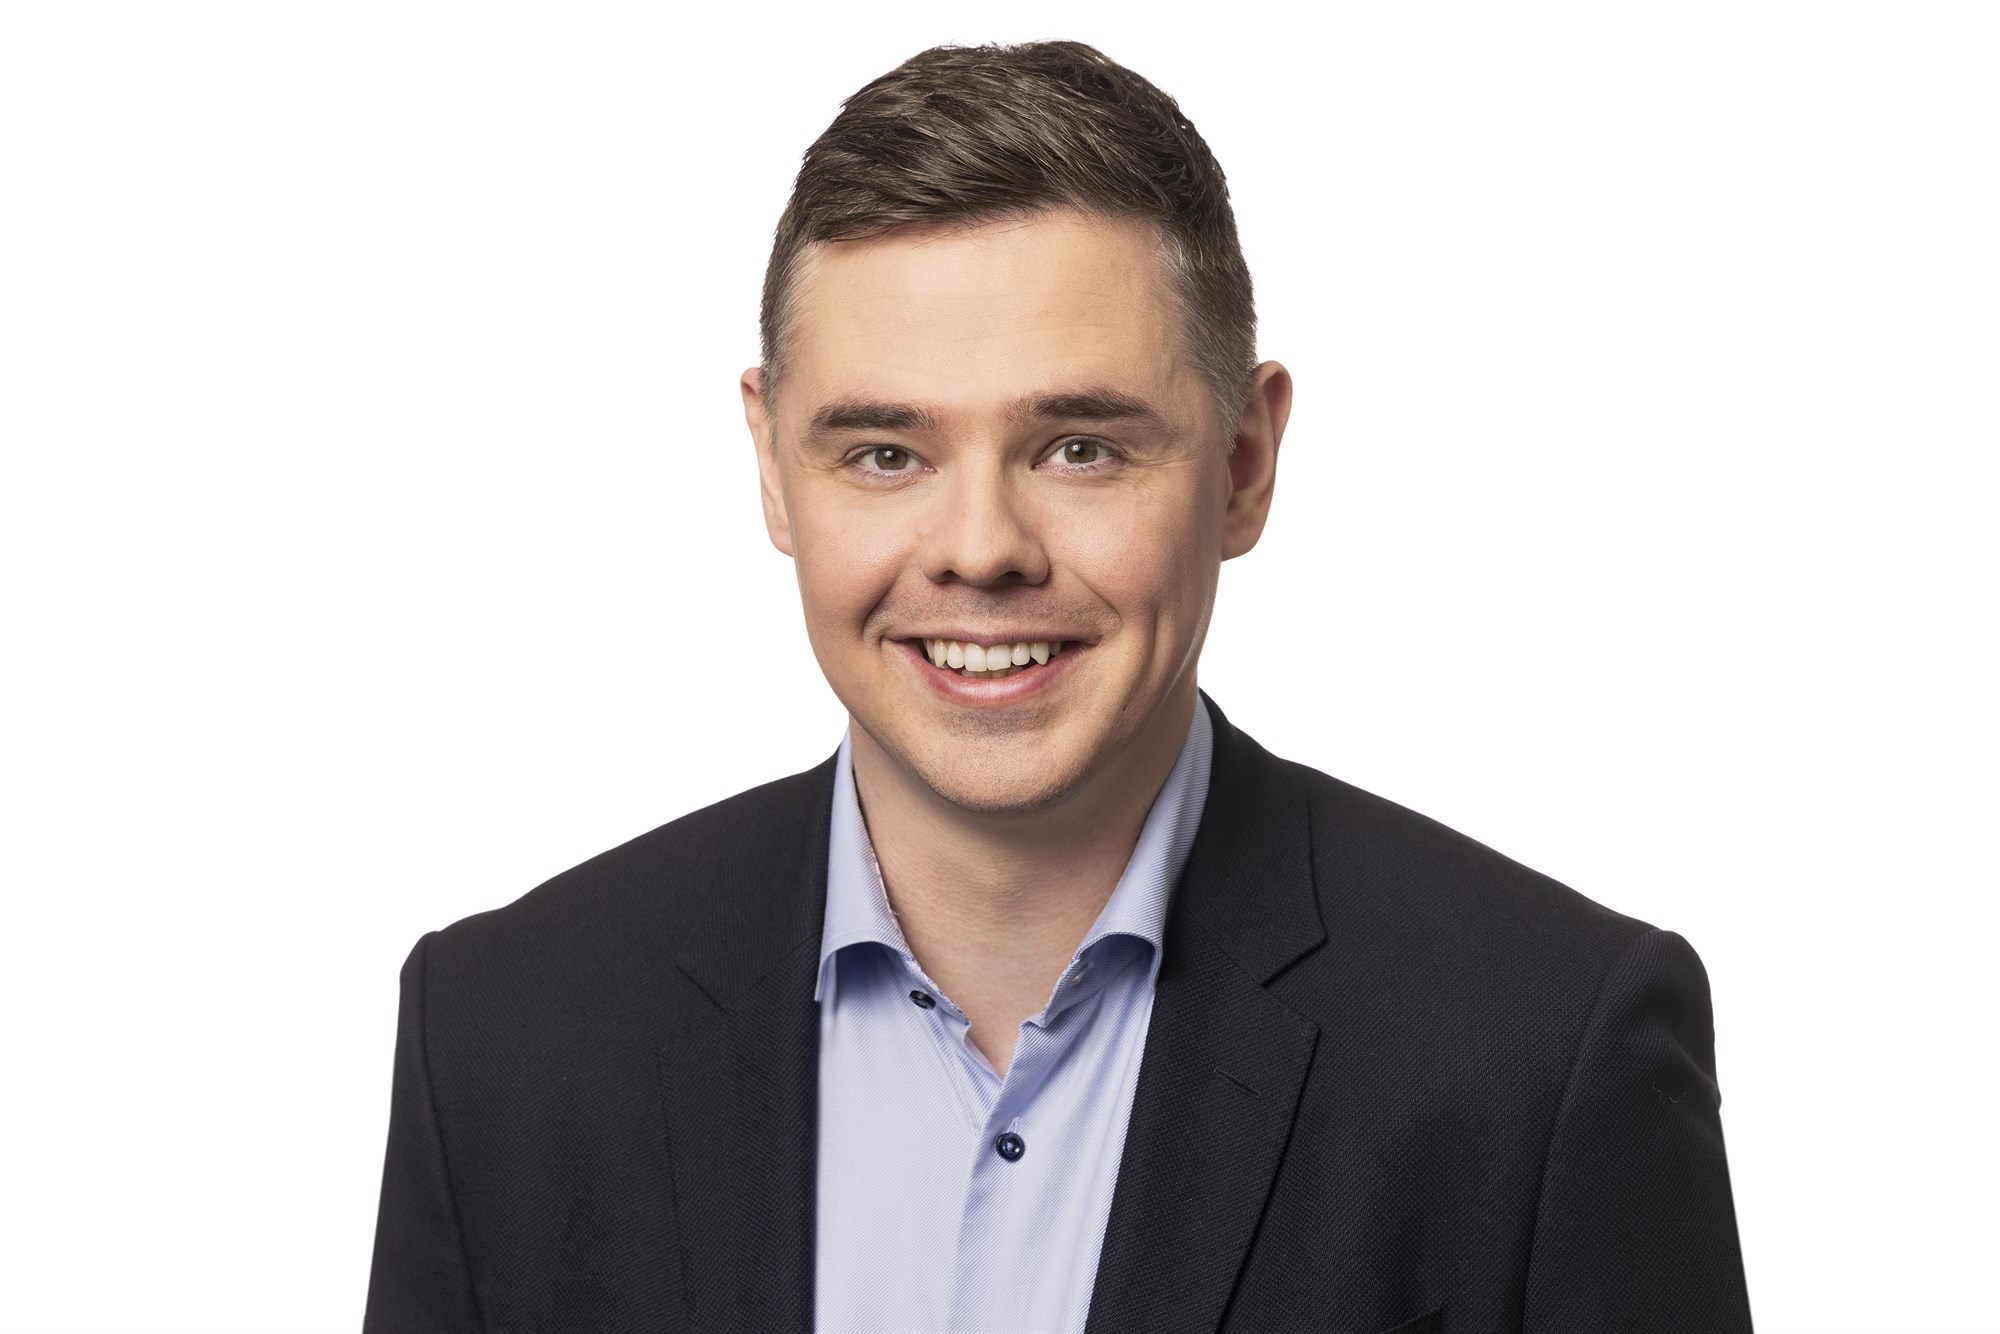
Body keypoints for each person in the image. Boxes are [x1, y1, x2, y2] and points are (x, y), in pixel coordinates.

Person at [363, 40, 1752, 1334]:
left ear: (1245, 465)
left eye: (1080, 447)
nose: (981, 550)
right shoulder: (497, 1038)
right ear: (774, 468)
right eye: (886, 453)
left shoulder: (1547, 1055)